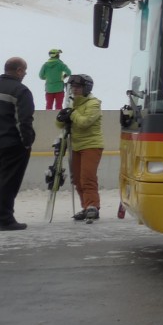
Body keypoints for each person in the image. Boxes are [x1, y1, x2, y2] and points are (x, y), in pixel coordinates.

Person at [0, 57, 36, 231]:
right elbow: (24, 120)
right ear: (19, 70)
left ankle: (0, 215)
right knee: (9, 182)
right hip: (14, 143)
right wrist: (27, 142)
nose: (25, 74)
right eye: (25, 70)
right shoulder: (20, 90)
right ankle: (4, 219)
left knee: (0, 180)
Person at [58, 74, 103, 222]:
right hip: (76, 145)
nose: (75, 90)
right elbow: (62, 124)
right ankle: (85, 207)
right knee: (77, 179)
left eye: (78, 87)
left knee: (87, 178)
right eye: (73, 87)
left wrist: (73, 113)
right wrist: (61, 117)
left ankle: (93, 206)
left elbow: (85, 122)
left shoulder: (93, 103)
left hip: (91, 144)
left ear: (86, 88)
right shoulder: (72, 103)